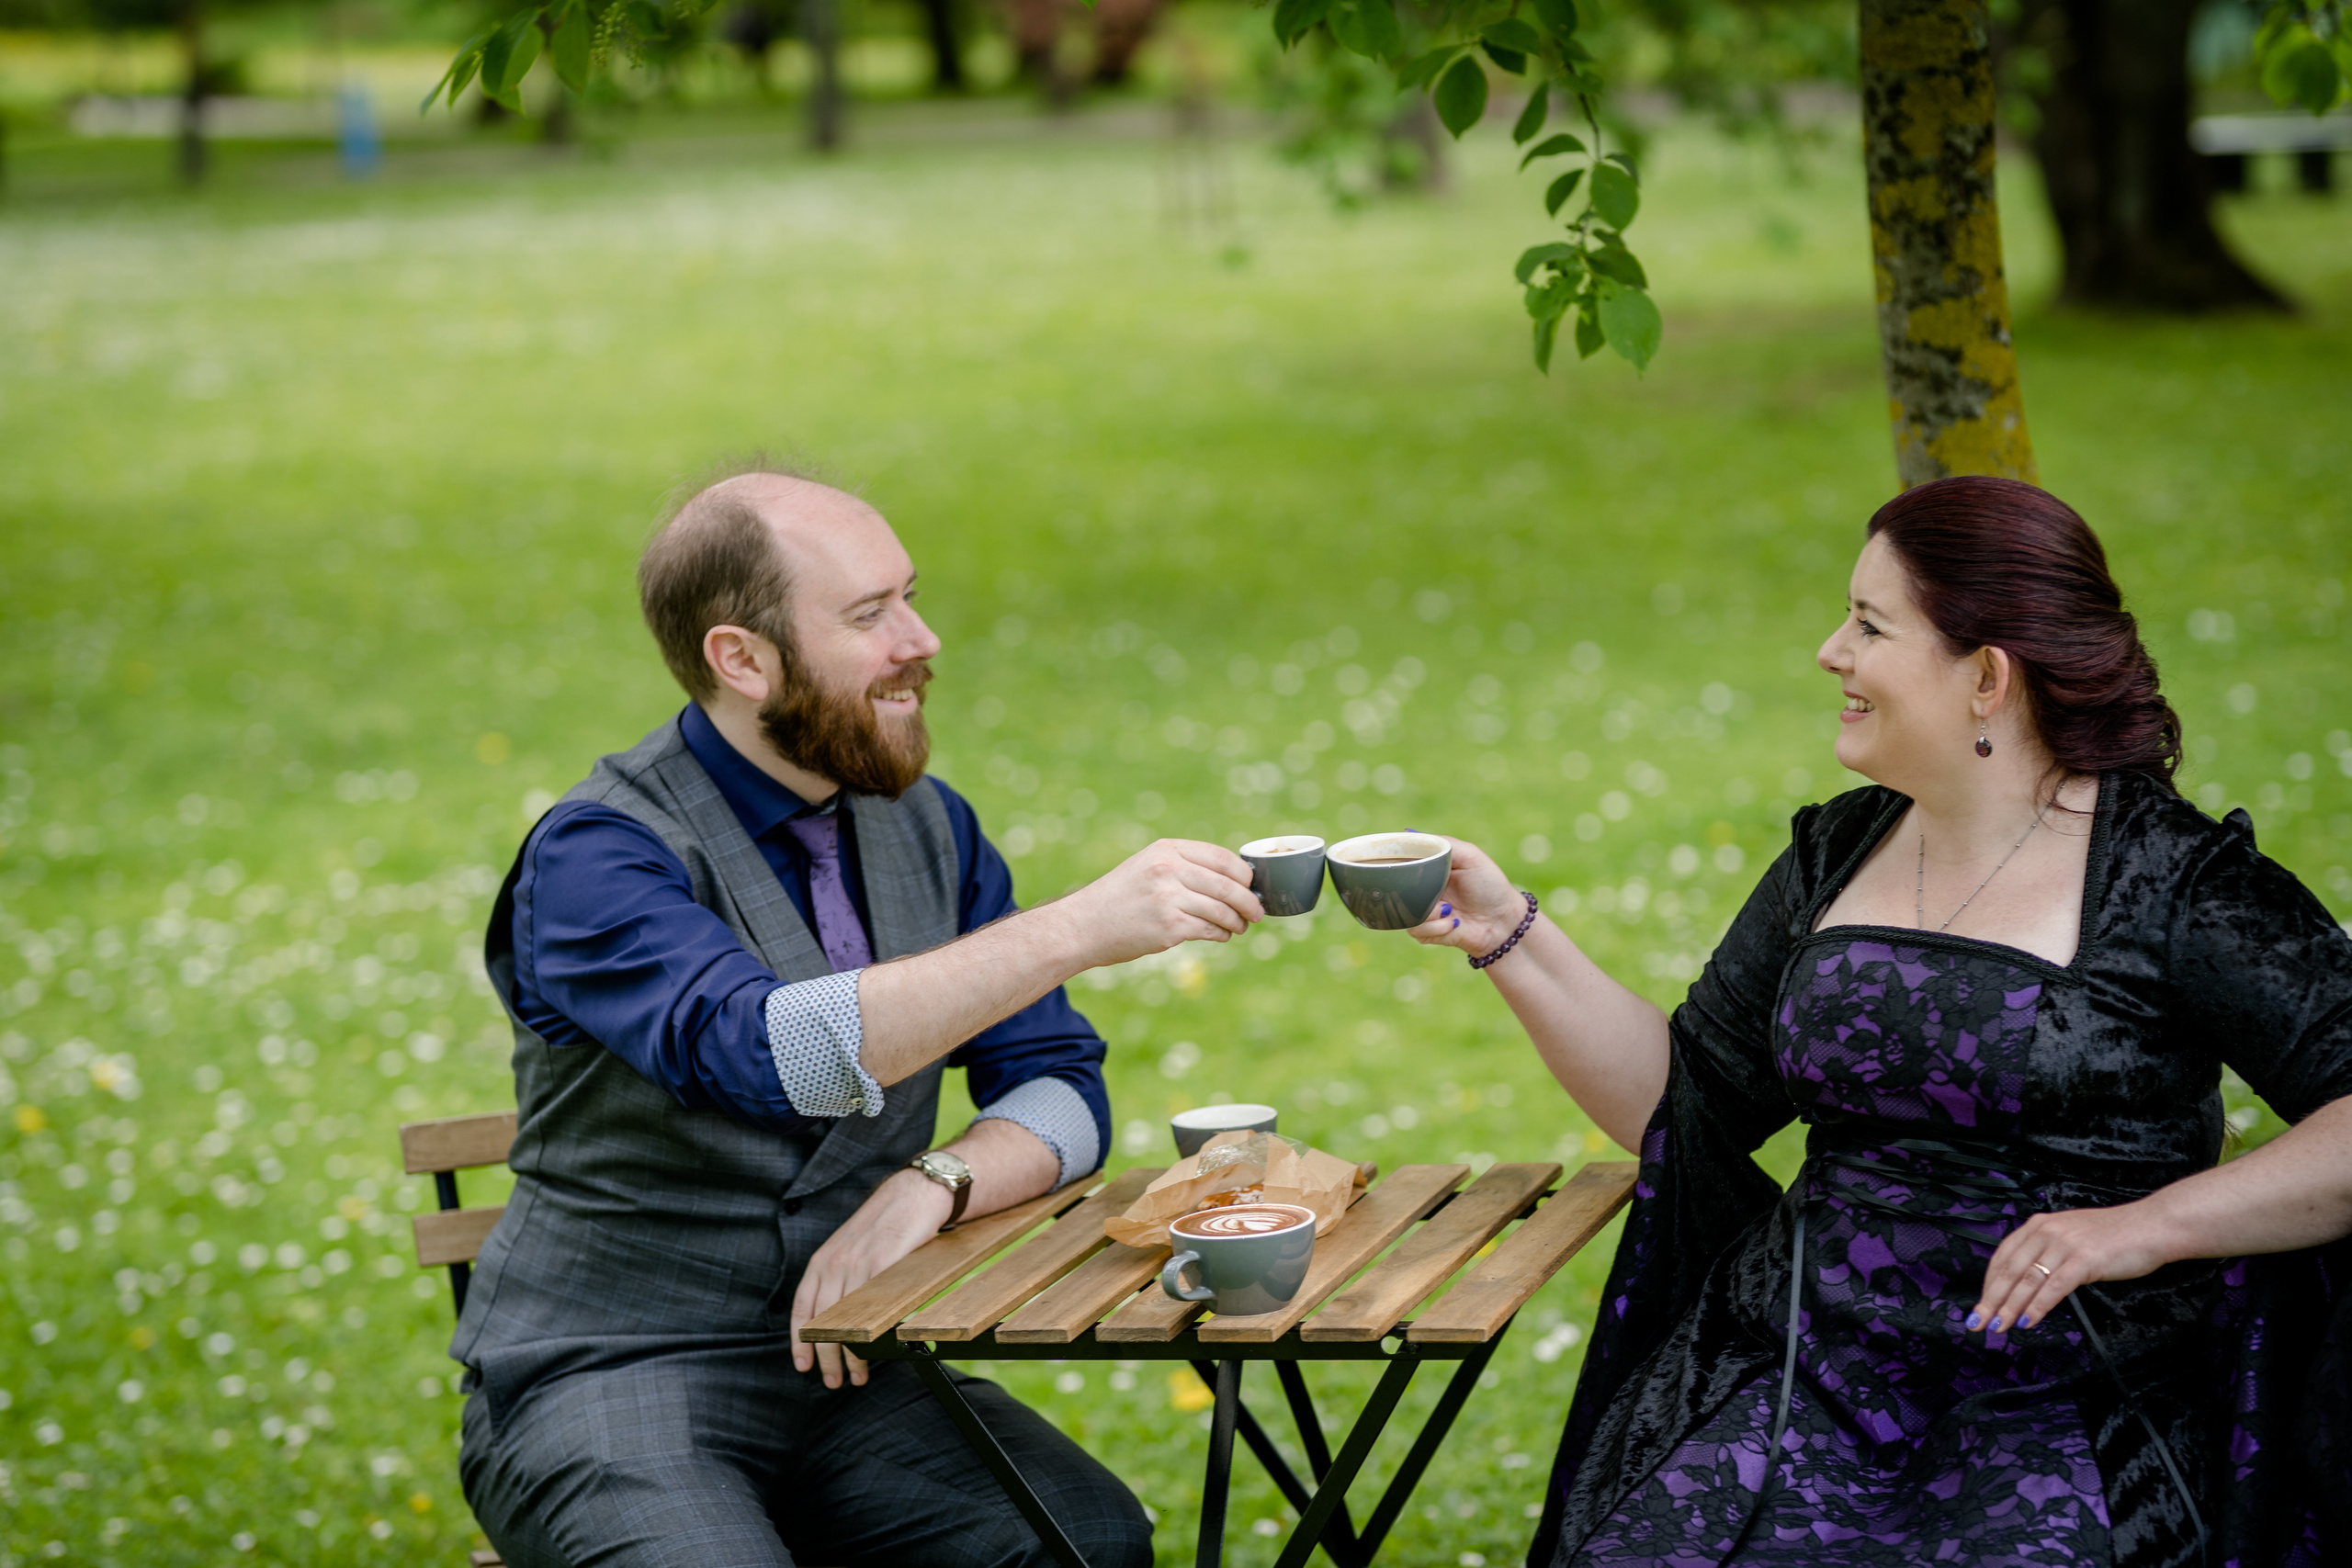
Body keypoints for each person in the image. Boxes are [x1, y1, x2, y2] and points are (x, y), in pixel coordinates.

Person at [1407, 476, 2352, 1566]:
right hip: (1803, 1358)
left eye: (1868, 624)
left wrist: (2141, 1226)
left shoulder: (2170, 881)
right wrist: (1506, 932)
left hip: (2065, 1392)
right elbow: (1684, 1106)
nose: (1828, 651)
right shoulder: (1834, 854)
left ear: (1986, 675)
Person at [453, 466, 1264, 1567]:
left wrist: (935, 1182)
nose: (920, 641)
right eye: (869, 615)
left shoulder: (929, 824)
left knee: (1082, 1541)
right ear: (741, 659)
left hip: (853, 1371)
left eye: (911, 597)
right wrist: (1079, 926)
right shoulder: (600, 852)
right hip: (612, 1375)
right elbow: (769, 1051)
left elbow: (1062, 1088)